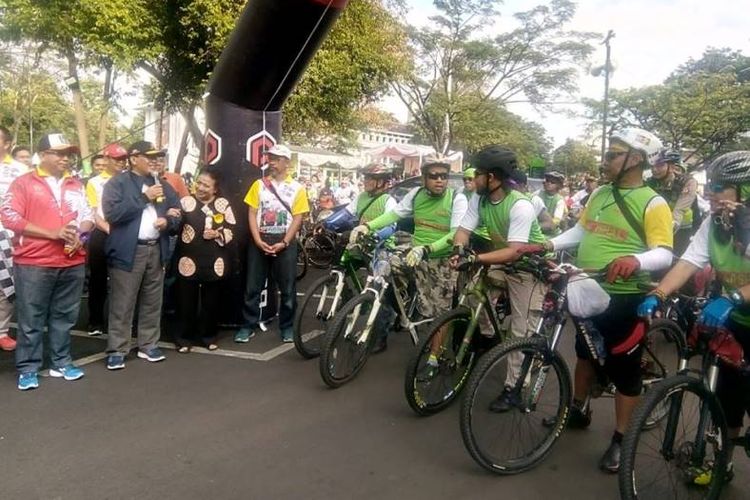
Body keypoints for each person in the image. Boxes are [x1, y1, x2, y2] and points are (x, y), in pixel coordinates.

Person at [523, 127, 674, 472]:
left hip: (625, 295)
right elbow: (581, 231)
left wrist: (634, 261)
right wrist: (547, 244)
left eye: (612, 154)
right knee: (584, 352)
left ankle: (622, 439)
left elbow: (664, 254)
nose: (605, 160)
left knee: (624, 370)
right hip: (588, 284)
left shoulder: (654, 202)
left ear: (635, 160)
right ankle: (578, 409)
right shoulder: (602, 193)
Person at [637, 150, 750, 485]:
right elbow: (687, 262)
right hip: (736, 322)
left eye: (720, 187)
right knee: (727, 402)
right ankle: (723, 465)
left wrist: (733, 296)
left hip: (736, 307)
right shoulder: (713, 222)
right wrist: (658, 294)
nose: (710, 193)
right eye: (710, 186)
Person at [448, 146, 547, 401]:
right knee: (473, 297)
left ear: (492, 177)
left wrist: (477, 258)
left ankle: (514, 387)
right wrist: (459, 250)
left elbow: (515, 251)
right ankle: (491, 338)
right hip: (502, 258)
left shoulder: (520, 206)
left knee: (520, 330)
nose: (473, 177)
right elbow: (463, 230)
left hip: (529, 267)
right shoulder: (479, 199)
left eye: (478, 173)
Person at [1, 133, 94, 390]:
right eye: (59, 153)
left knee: (65, 316)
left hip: (72, 261)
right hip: (34, 261)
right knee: (32, 318)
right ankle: (28, 368)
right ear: (42, 155)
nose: (66, 158)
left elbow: (88, 214)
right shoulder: (23, 183)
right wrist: (52, 233)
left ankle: (61, 362)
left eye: (68, 154)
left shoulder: (75, 183)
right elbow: (9, 216)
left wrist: (82, 236)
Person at [350, 158, 468, 352]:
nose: (439, 180)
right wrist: (367, 226)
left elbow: (455, 234)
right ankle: (396, 314)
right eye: (433, 176)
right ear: (423, 178)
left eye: (444, 176)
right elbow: (394, 215)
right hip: (414, 252)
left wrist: (427, 249)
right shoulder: (416, 194)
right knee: (382, 274)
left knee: (437, 313)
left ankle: (434, 357)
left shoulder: (457, 198)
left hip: (441, 259)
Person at [101, 141, 181, 370]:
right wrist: (144, 198)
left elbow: (177, 213)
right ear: (134, 158)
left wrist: (168, 220)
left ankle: (148, 344)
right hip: (129, 250)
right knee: (123, 302)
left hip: (156, 248)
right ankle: (117, 348)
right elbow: (113, 214)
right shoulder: (117, 183)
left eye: (157, 157)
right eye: (149, 156)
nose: (154, 161)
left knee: (152, 300)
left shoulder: (162, 185)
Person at [236, 144, 309, 343]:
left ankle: (287, 326)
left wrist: (285, 242)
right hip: (260, 240)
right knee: (252, 286)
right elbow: (251, 213)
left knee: (287, 288)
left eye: (276, 159)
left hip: (284, 242)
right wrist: (257, 240)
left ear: (287, 162)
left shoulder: (297, 189)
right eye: (270, 158)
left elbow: (298, 217)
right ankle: (247, 325)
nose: (272, 162)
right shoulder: (258, 185)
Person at [173, 169, 236, 352]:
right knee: (185, 300)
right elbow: (175, 226)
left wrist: (218, 233)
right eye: (198, 182)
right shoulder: (186, 202)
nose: (200, 187)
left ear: (215, 189)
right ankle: (183, 338)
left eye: (206, 185)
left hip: (215, 259)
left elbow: (233, 229)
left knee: (212, 301)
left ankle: (208, 336)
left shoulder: (223, 204)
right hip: (187, 259)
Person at [85, 143, 128, 336]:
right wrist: (109, 229)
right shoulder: (94, 182)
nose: (121, 162)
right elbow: (93, 212)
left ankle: (121, 322)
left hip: (126, 233)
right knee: (98, 279)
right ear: (107, 159)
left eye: (123, 159)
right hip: (102, 233)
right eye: (117, 159)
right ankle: (95, 321)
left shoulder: (130, 180)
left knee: (124, 280)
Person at [646, 149, 699, 255]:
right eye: (652, 166)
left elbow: (679, 210)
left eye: (660, 165)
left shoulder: (687, 182)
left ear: (671, 167)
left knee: (676, 260)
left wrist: (669, 228)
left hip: (680, 229)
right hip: (656, 227)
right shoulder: (649, 182)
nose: (655, 170)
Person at [322, 163, 397, 232]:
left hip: (381, 244)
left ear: (380, 182)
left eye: (368, 178)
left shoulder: (389, 201)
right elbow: (346, 213)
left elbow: (391, 227)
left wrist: (377, 236)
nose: (364, 182)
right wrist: (326, 224)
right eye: (365, 178)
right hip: (359, 240)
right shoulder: (362, 196)